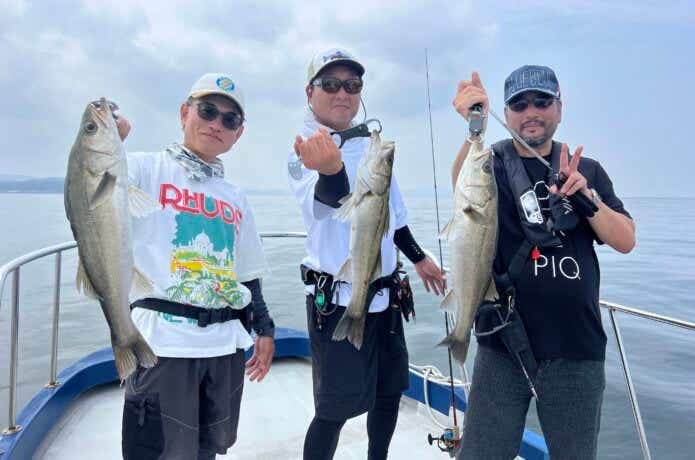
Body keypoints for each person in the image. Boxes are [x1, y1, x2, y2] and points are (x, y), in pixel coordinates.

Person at [450, 66, 636, 459]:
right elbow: (462, 184)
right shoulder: (492, 163)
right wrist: (475, 126)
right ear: (507, 111)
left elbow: (625, 240)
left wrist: (587, 198)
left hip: (576, 349)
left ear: (559, 107)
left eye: (541, 101)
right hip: (503, 344)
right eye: (519, 103)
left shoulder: (587, 169)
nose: (530, 111)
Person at [287, 48, 446, 460]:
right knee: (334, 409)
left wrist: (419, 257)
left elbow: (391, 218)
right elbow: (326, 204)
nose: (343, 93)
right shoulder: (304, 148)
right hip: (339, 301)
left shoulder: (372, 147)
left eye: (352, 85)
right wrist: (331, 169)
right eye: (331, 84)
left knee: (389, 392)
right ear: (310, 91)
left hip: (386, 296)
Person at [116, 73, 276, 460]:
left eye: (229, 120)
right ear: (184, 113)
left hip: (225, 346)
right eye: (207, 111)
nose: (216, 124)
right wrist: (107, 139)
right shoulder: (141, 168)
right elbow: (91, 186)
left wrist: (264, 328)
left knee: (208, 449)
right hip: (161, 345)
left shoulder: (235, 196)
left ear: (238, 134)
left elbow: (246, 272)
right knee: (155, 451)